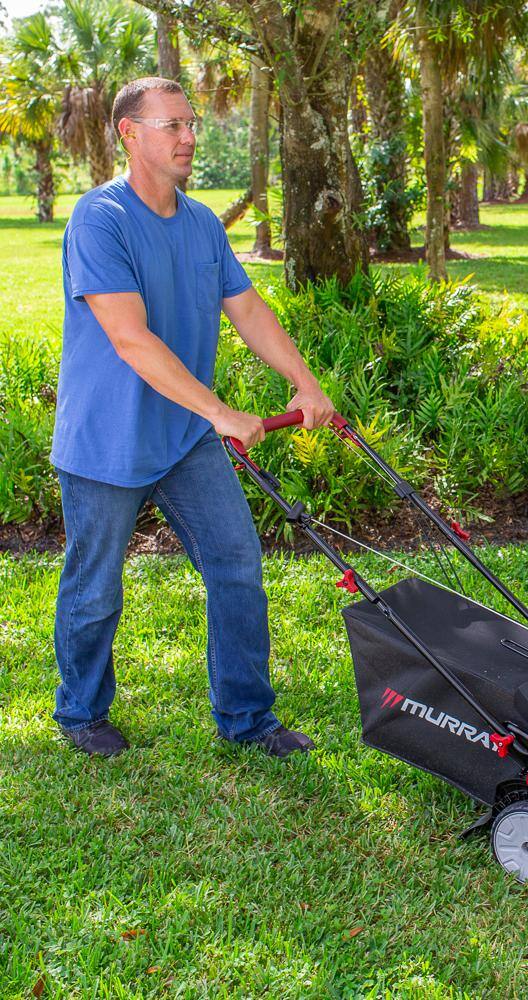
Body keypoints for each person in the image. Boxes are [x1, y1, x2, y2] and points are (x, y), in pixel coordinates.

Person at [51, 76, 333, 759]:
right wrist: (220, 410)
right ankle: (81, 712)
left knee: (237, 566)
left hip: (184, 440)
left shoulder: (204, 223)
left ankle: (248, 718)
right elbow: (130, 338)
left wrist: (304, 383)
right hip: (106, 443)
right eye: (173, 125)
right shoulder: (101, 219)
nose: (189, 137)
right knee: (96, 589)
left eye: (191, 124)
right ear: (130, 133)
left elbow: (247, 309)